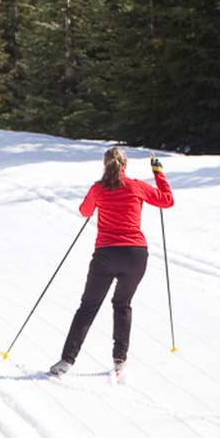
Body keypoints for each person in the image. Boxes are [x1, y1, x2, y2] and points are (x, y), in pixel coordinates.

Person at [50, 147, 173, 378]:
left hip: (106, 255)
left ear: (105, 165)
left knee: (88, 308)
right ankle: (119, 359)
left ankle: (66, 360)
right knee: (122, 304)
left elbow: (84, 211)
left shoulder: (98, 188)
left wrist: (98, 203)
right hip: (136, 255)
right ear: (124, 165)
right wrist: (158, 173)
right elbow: (167, 201)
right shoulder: (137, 186)